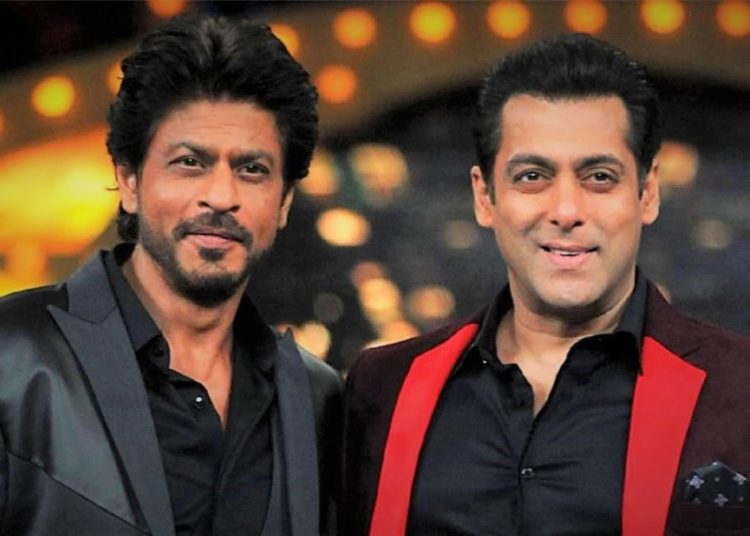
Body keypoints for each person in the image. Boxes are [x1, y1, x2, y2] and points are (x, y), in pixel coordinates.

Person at [343, 33, 750, 535]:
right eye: (533, 176)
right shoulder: (383, 387)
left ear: (647, 193)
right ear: (485, 197)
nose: (566, 210)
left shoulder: (740, 388)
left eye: (599, 177)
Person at [0, 12, 342, 536]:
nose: (221, 197)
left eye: (252, 169)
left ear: (284, 203)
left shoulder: (318, 398)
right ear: (129, 181)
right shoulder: (13, 356)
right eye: (190, 163)